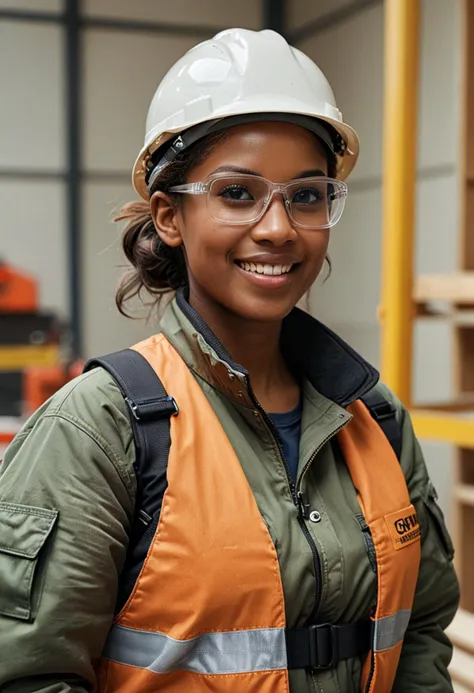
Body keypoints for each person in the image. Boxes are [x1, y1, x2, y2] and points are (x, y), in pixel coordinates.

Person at [0, 27, 459, 693]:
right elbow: (27, 674)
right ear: (168, 216)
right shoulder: (103, 430)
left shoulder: (376, 421)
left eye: (306, 195)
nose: (278, 227)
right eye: (237, 193)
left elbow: (418, 635)